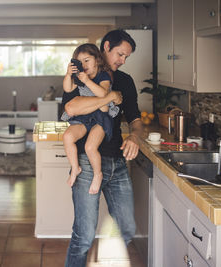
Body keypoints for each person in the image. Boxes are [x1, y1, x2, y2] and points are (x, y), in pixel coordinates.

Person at [63, 30, 143, 267]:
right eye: (120, 54)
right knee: (84, 236)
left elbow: (136, 120)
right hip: (87, 165)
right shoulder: (81, 74)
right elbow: (71, 107)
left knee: (126, 229)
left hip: (117, 164)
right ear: (106, 47)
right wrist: (110, 97)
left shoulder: (126, 81)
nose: (122, 60)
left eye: (126, 57)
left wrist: (136, 137)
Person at [61, 43, 120, 194]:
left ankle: (97, 174)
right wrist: (68, 75)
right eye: (80, 62)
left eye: (87, 60)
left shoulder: (103, 76)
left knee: (90, 147)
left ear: (97, 60)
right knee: (67, 136)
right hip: (85, 115)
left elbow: (103, 95)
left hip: (101, 117)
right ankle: (75, 168)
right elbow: (68, 88)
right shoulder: (79, 77)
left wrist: (87, 81)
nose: (84, 65)